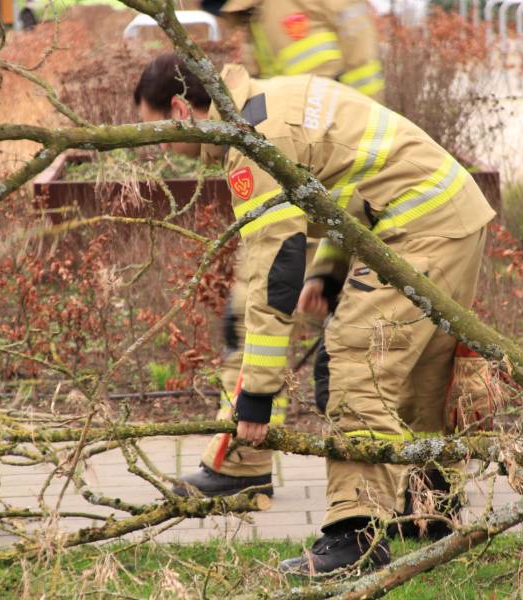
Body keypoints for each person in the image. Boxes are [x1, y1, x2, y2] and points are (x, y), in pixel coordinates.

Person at [134, 53, 495, 574]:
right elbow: (352, 179)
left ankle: (355, 538)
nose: (160, 147)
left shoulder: (252, 139)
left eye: (158, 132)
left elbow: (273, 274)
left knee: (357, 359)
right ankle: (429, 507)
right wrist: (329, 268)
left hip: (419, 226)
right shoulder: (267, 101)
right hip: (450, 212)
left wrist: (256, 395)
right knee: (419, 367)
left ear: (179, 108)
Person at [173, 0, 387, 500]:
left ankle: (252, 459)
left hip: (332, 176)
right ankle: (245, 455)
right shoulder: (258, 15)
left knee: (273, 311)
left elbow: (330, 94)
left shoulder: (296, 7)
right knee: (253, 315)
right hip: (316, 176)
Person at [201, 0, 385, 100]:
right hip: (301, 124)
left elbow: (362, 56)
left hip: (340, 115)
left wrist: (368, 111)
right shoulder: (255, 14)